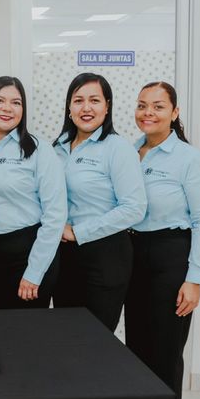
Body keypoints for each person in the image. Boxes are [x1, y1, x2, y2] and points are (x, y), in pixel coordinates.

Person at [126, 81, 200, 399]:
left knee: (164, 356)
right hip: (134, 253)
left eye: (158, 106)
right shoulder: (129, 152)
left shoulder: (189, 159)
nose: (148, 113)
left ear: (174, 113)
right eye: (142, 105)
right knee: (137, 353)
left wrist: (194, 279)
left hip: (170, 255)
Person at [0, 77, 67, 309]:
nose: (7, 108)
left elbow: (55, 216)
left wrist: (35, 272)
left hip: (27, 256)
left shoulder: (40, 151)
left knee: (24, 336)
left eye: (16, 102)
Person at [52, 72, 146, 331]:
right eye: (78, 100)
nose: (86, 108)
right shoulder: (56, 148)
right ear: (69, 107)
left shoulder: (117, 148)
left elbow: (134, 207)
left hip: (105, 256)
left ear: (107, 106)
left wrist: (77, 232)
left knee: (95, 342)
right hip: (64, 257)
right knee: (65, 337)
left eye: (94, 100)